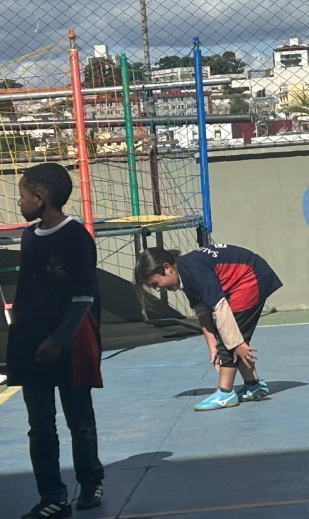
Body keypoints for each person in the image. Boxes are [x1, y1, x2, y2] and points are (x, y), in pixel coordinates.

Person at [7, 163, 105, 519]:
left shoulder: (76, 237)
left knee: (79, 421)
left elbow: (83, 298)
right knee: (40, 427)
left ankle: (91, 481)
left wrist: (58, 340)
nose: (19, 202)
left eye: (22, 196)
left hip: (68, 347)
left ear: (40, 197)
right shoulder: (30, 237)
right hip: (31, 347)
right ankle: (53, 496)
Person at [134, 244, 282, 411]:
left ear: (167, 268)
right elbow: (202, 311)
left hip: (251, 277)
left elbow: (220, 308)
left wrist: (233, 343)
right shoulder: (185, 272)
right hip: (245, 277)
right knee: (231, 339)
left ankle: (225, 392)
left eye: (155, 283)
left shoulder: (194, 271)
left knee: (229, 338)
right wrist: (213, 347)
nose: (158, 289)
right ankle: (253, 385)